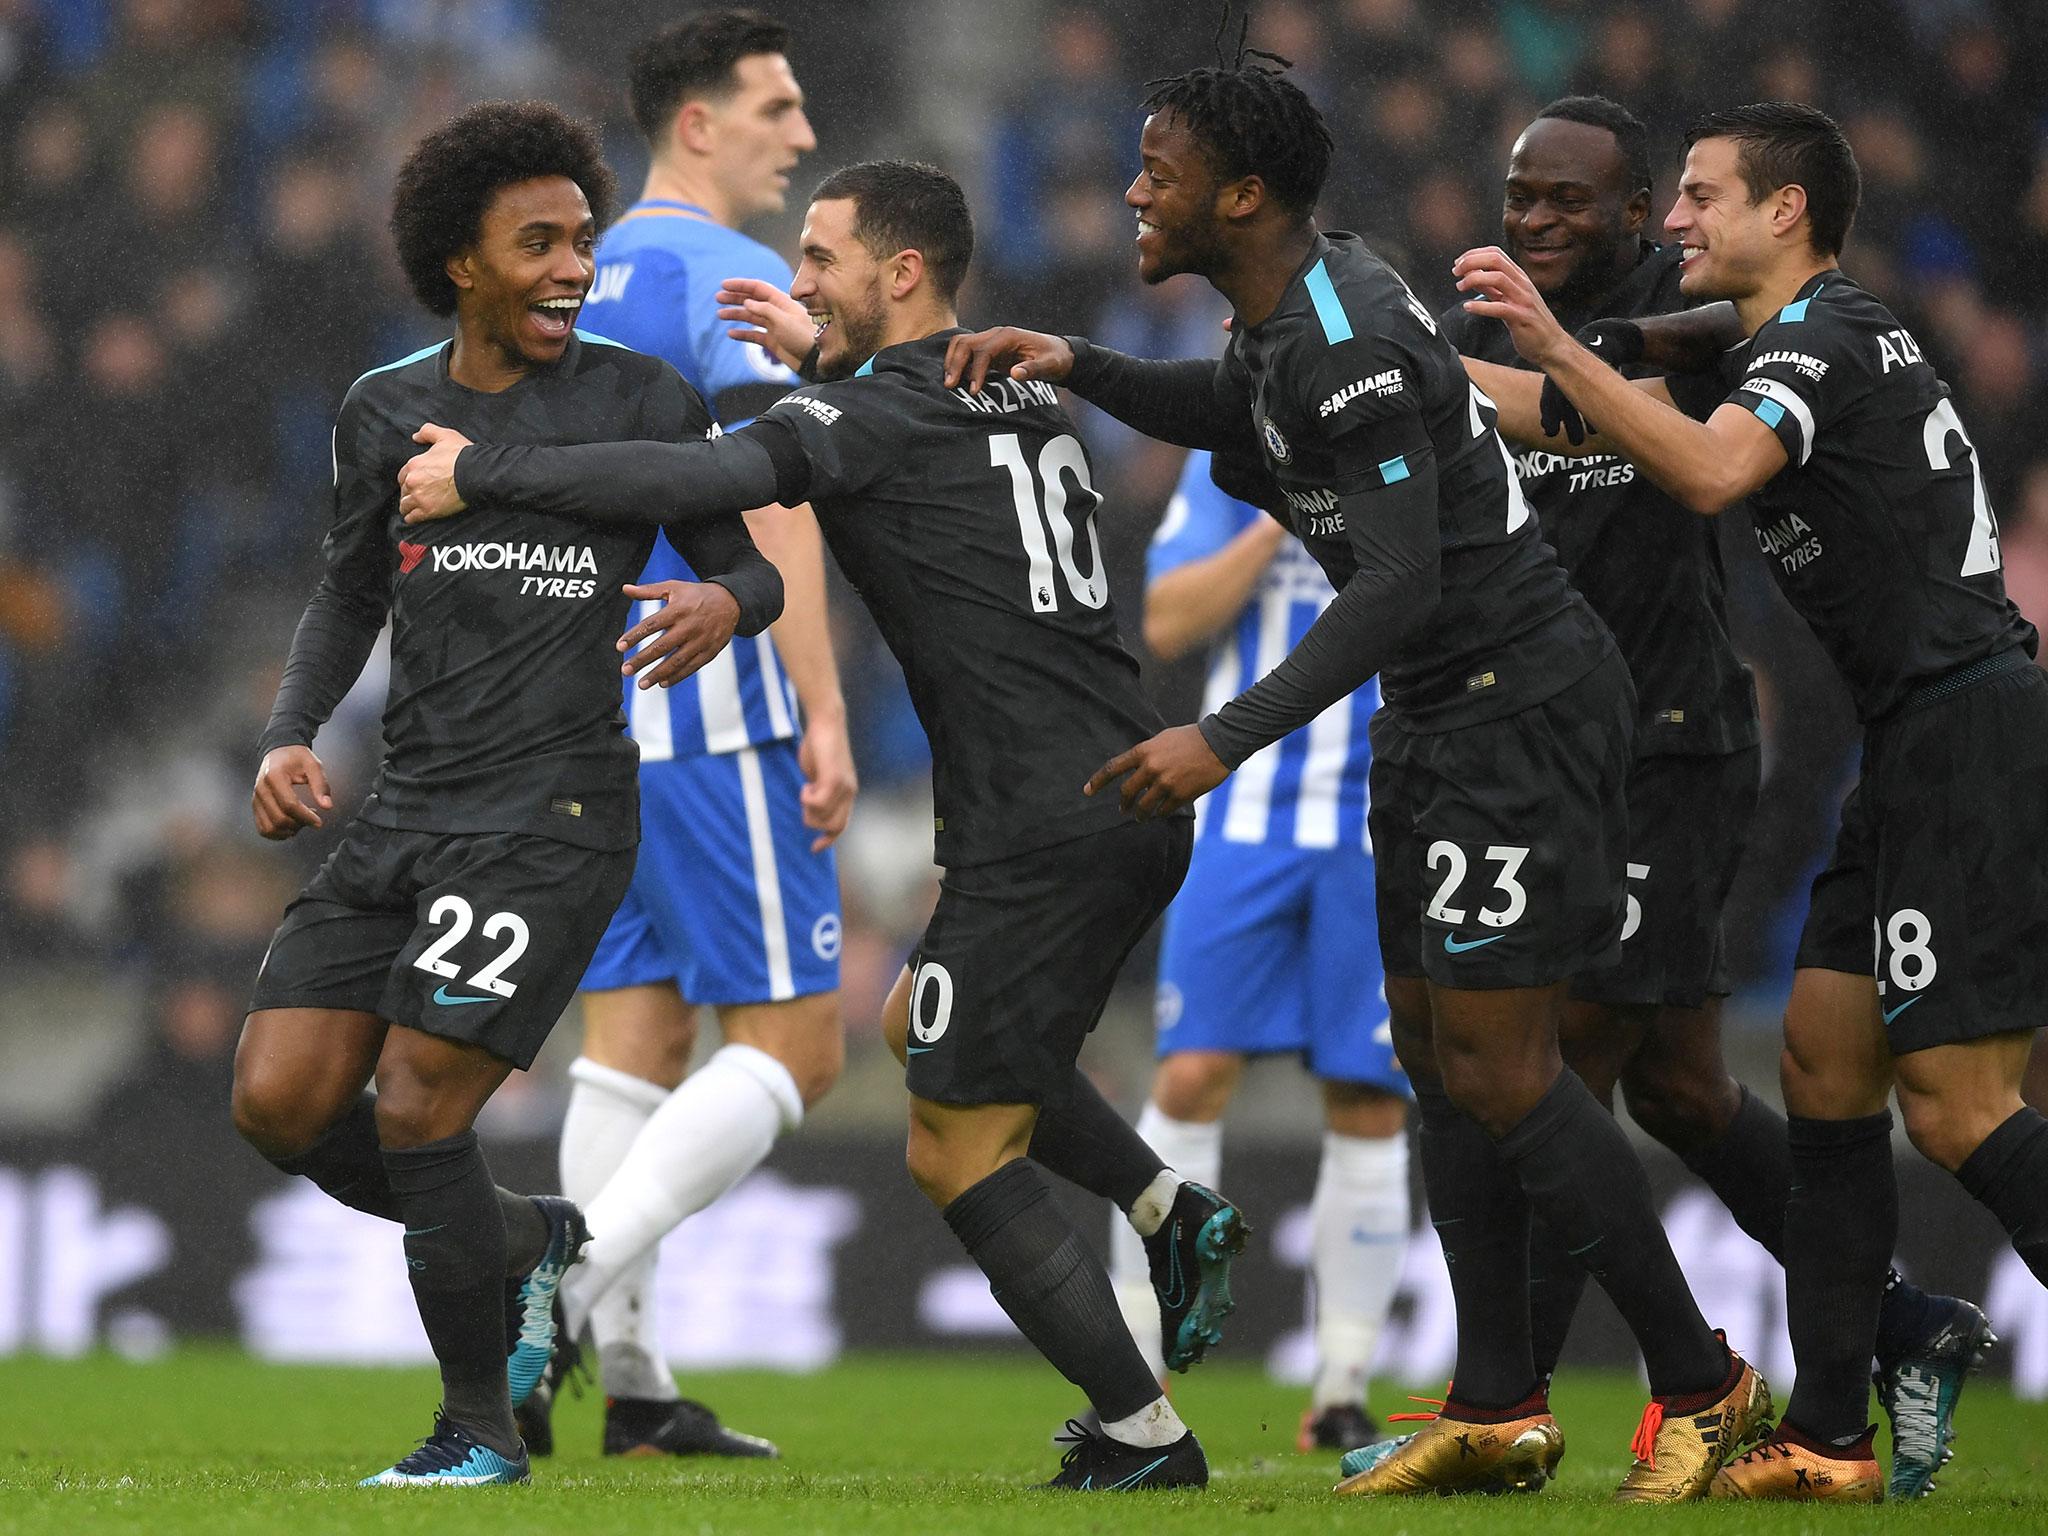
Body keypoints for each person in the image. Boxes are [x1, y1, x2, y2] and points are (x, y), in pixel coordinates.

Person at [944, 51, 1769, 1502]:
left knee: (1511, 1069)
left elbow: (1393, 584)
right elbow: (1234, 410)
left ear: (1242, 193)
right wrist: (1080, 364)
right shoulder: (1283, 322)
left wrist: (1223, 735)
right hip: (1442, 716)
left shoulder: (1348, 334)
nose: (1135, 190)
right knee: (1442, 1067)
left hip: (1516, 705)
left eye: (1161, 169)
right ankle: (1497, 1403)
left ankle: (1703, 1381)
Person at [398, 159, 1248, 1493]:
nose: (796, 282)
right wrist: (830, 364)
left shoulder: (880, 417)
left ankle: (1145, 1437)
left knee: (954, 1141)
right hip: (1113, 791)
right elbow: (901, 441)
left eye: (821, 258)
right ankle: (1167, 1206)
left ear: (901, 273)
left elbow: (708, 469)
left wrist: (492, 474)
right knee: (933, 1021)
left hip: (1043, 822)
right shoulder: (1011, 394)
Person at [1456, 100, 2047, 1502]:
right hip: (1908, 738)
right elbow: (1594, 406)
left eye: (1705, 197)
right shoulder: (1821, 332)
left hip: (1970, 730)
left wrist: (1545, 342)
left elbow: (1712, 467)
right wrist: (1431, 370)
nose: (1675, 222)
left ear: (1787, 213)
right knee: (1824, 1071)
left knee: (1959, 1106)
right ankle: (1835, 1439)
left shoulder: (1809, 343)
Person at [229, 100, 782, 1487]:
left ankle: (478, 1429)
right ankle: (529, 1239)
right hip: (406, 807)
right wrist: (291, 731)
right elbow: (350, 590)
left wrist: (726, 595)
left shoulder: (639, 397)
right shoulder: (385, 408)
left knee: (420, 1106)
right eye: (535, 243)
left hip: (555, 814)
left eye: (580, 240)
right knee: (280, 1104)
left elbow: (758, 565)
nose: (569, 267)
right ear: (458, 262)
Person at [521, 9, 852, 1462]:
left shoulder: (577, 277)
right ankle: (560, 1291)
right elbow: (778, 495)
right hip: (708, 691)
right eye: (776, 107)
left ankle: (637, 1391)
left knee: (635, 1037)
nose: (804, 133)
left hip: (579, 693)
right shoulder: (733, 278)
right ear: (697, 123)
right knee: (798, 1044)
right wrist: (826, 707)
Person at [1114, 447, 1409, 1455]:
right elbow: (1166, 619)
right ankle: (1136, 1368)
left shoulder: (1415, 450)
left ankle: (1340, 1381)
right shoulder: (1229, 462)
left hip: (1380, 819)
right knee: (1191, 1074)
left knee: (1368, 1094)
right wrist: (1280, 517)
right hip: (1239, 811)